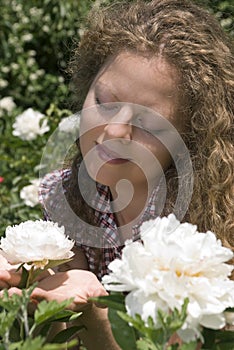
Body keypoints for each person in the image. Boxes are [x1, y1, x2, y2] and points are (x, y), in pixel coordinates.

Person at [0, 0, 233, 349]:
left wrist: (91, 310)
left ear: (189, 135)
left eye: (146, 123)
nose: (114, 133)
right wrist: (35, 281)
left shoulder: (212, 226)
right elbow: (61, 338)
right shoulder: (68, 195)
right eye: (105, 102)